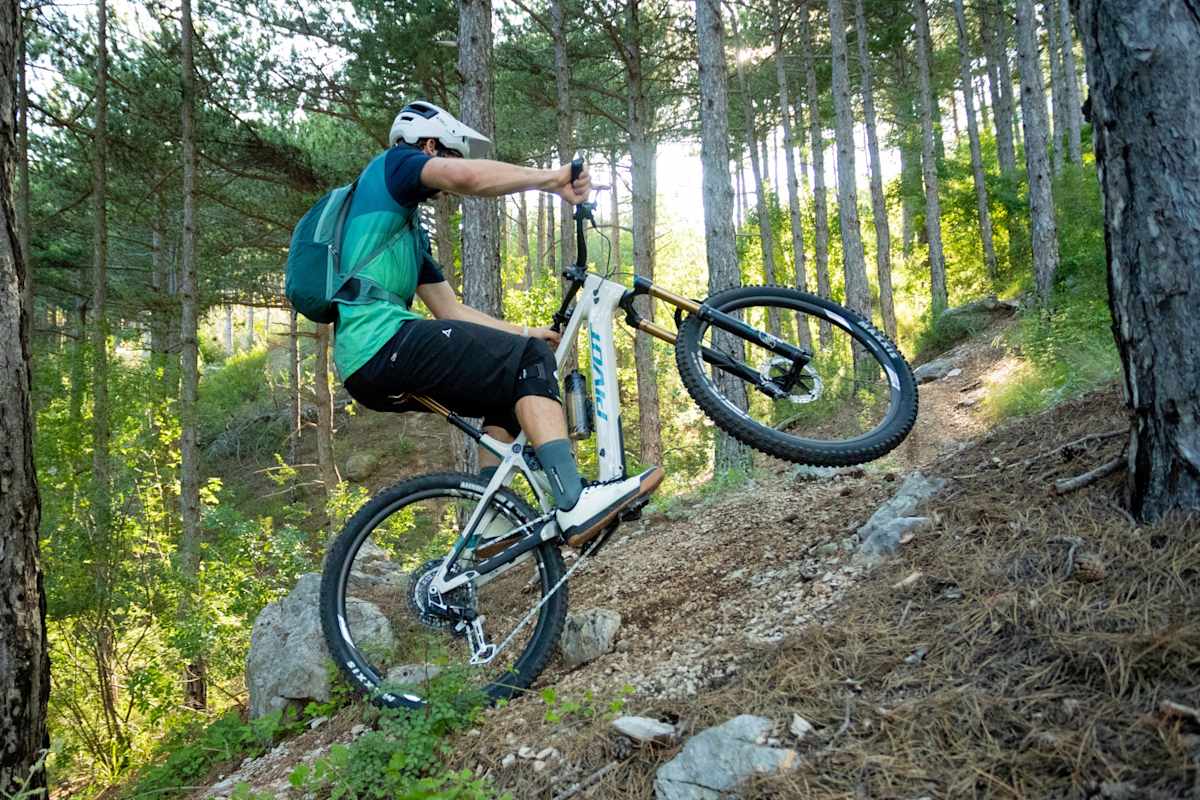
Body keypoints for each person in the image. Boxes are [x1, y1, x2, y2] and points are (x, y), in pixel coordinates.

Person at [333, 101, 662, 547]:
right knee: (530, 361)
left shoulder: (406, 233)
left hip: (369, 362)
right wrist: (552, 179)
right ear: (430, 146)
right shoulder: (396, 164)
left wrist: (528, 334)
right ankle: (574, 501)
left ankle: (489, 522)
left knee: (515, 384)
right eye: (451, 154)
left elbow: (452, 312)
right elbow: (467, 179)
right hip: (381, 341)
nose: (452, 172)